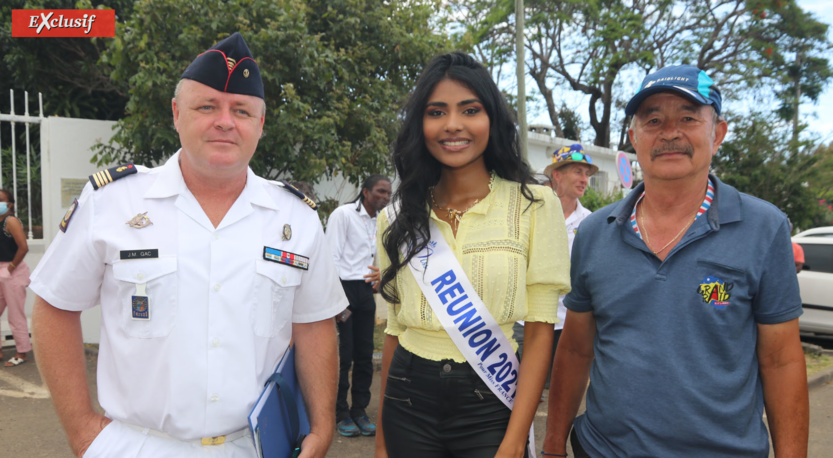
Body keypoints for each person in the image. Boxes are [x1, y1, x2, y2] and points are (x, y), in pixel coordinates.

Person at [30, 32, 347, 458]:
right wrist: (84, 431)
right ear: (177, 114)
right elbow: (54, 306)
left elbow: (313, 326)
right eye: (207, 106)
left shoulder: (297, 219)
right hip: (137, 445)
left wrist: (322, 427)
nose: (224, 121)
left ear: (260, 124)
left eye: (241, 110)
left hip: (253, 447)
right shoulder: (112, 202)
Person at [543, 65, 809, 457]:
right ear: (634, 138)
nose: (670, 133)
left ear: (717, 133)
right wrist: (552, 447)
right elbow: (576, 349)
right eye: (653, 120)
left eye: (688, 117)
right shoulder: (596, 232)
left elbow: (781, 361)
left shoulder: (764, 229)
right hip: (603, 449)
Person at [374, 52, 571, 458]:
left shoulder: (535, 205)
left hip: (491, 402)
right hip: (407, 399)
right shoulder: (396, 217)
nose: (452, 125)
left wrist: (516, 439)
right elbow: (395, 330)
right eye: (436, 111)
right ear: (420, 125)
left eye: (470, 110)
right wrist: (381, 444)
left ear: (492, 119)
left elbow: (539, 330)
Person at [326, 174, 392, 437]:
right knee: (345, 355)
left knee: (365, 355)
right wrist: (337, 302)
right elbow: (331, 258)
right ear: (365, 192)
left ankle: (359, 411)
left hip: (365, 289)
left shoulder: (382, 220)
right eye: (380, 191)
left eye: (388, 193)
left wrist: (380, 277)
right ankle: (340, 413)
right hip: (344, 288)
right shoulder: (343, 215)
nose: (385, 197)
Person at [0, 189, 31, 367]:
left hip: (13, 270)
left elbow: (23, 247)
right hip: (2, 269)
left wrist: (10, 268)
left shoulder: (11, 221)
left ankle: (21, 352)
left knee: (15, 314)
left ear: (9, 205)